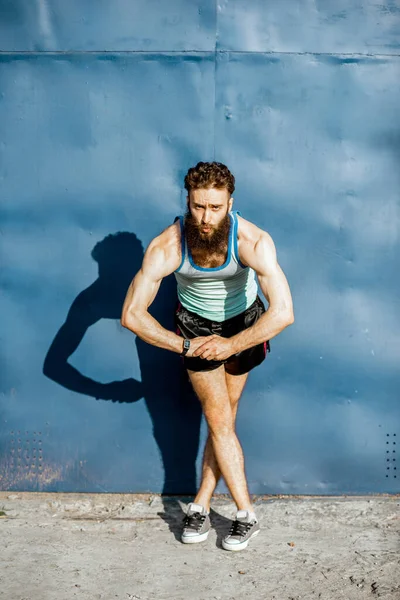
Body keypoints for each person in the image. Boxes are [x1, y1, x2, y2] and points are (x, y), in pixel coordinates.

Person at [121, 161, 294, 551]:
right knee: (219, 419)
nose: (205, 217)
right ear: (188, 201)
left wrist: (232, 345)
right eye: (199, 206)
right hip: (196, 331)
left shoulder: (251, 241)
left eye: (215, 208)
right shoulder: (168, 245)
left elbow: (283, 311)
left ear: (230, 202)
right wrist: (184, 345)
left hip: (244, 328)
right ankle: (246, 514)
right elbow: (131, 314)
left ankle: (199, 503)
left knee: (224, 422)